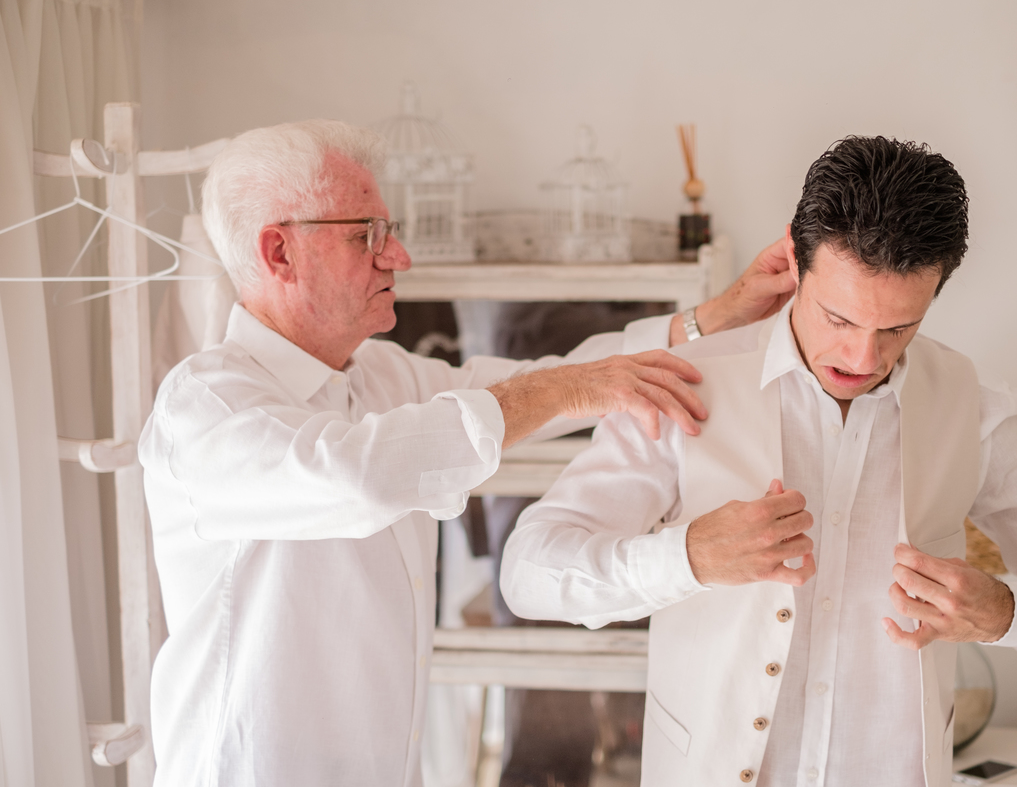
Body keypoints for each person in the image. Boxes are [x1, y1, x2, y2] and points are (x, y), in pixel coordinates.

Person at [138, 119, 795, 787]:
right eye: (367, 235)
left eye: (390, 233)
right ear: (279, 252)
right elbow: (359, 476)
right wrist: (564, 391)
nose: (398, 257)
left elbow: (536, 380)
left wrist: (713, 318)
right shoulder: (205, 406)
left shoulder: (383, 375)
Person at [500, 136, 1017, 787]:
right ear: (795, 261)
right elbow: (529, 570)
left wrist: (1006, 614)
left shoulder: (977, 407)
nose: (862, 357)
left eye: (897, 328)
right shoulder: (683, 383)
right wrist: (687, 558)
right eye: (838, 318)